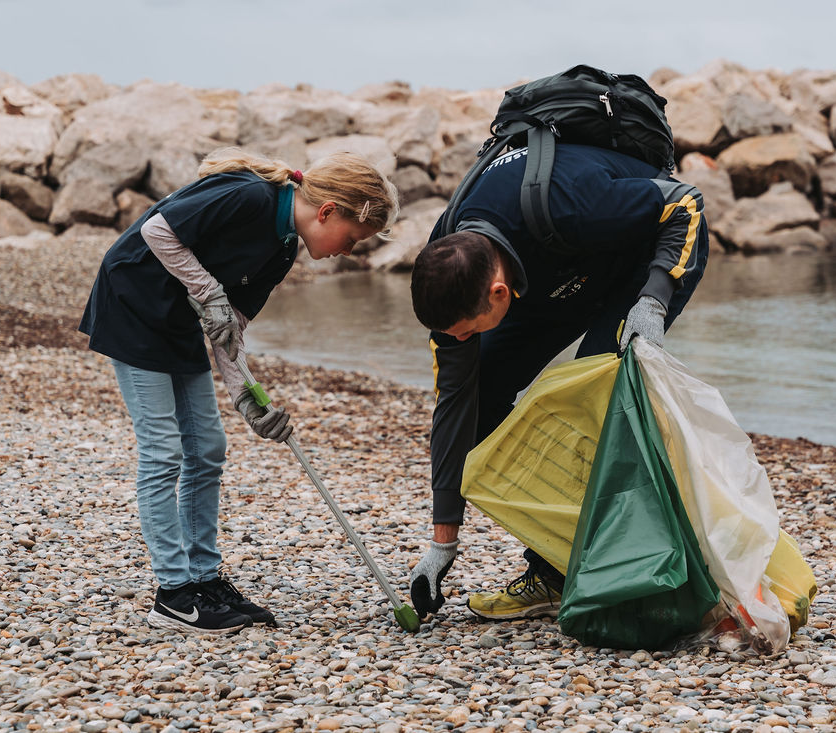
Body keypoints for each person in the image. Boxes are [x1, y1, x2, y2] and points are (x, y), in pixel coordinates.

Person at [79, 147, 398, 635]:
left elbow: (230, 331)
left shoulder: (284, 247)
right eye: (352, 238)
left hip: (180, 324)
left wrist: (247, 399)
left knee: (208, 448)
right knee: (164, 452)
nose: (349, 250)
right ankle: (174, 596)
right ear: (328, 212)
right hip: (133, 307)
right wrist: (208, 294)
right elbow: (157, 231)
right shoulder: (249, 197)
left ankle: (205, 580)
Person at [408, 142, 708, 622]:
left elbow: (685, 203)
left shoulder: (567, 202)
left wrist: (653, 299)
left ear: (498, 293)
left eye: (466, 330)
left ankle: (645, 563)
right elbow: (455, 409)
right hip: (559, 275)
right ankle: (558, 566)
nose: (461, 341)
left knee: (594, 400)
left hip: (640, 262)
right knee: (479, 399)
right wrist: (443, 544)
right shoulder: (453, 256)